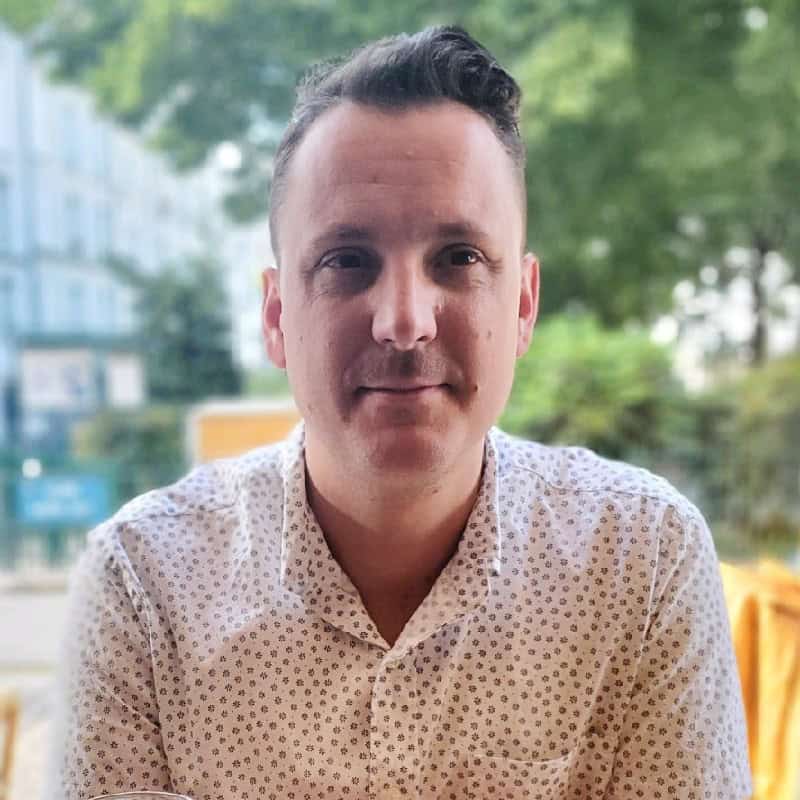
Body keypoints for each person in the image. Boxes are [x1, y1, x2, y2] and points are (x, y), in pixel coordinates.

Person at [52, 26, 752, 800]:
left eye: (459, 258)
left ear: (523, 305)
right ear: (277, 316)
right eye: (347, 261)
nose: (405, 321)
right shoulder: (142, 587)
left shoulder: (641, 562)